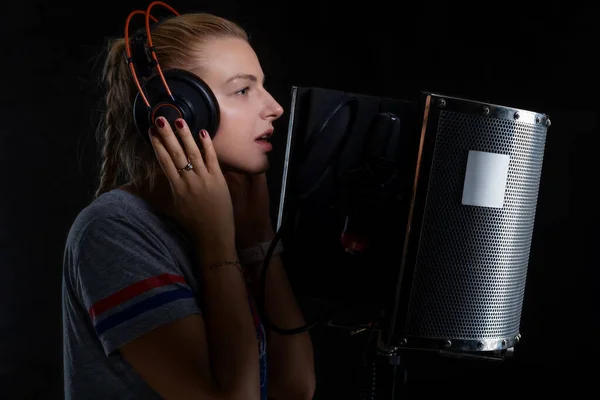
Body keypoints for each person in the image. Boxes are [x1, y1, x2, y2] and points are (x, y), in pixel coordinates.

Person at [61, 3, 315, 400]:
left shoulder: (236, 221)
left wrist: (258, 240)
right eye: (243, 90)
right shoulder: (114, 230)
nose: (274, 107)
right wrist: (216, 241)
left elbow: (296, 389)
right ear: (181, 108)